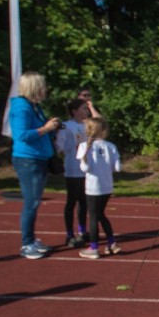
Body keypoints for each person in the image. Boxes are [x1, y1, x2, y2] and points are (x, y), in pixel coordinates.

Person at [9, 72, 61, 260]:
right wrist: (46, 128)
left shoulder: (33, 106)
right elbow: (21, 135)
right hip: (28, 160)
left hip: (38, 158)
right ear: (34, 87)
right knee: (31, 202)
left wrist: (51, 130)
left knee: (34, 202)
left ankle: (30, 239)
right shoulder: (22, 108)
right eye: (42, 86)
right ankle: (26, 243)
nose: (45, 89)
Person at [77, 117, 122, 259]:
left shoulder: (84, 146)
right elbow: (118, 168)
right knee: (101, 214)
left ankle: (94, 247)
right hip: (107, 186)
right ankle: (111, 243)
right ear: (104, 130)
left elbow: (85, 168)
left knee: (94, 216)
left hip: (93, 187)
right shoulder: (111, 146)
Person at [56, 98, 91, 247]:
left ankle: (83, 230)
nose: (86, 111)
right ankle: (69, 234)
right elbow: (59, 145)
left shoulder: (89, 125)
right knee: (72, 200)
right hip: (73, 168)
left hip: (87, 169)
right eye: (83, 108)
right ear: (74, 111)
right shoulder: (66, 126)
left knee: (84, 202)